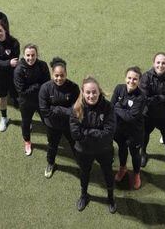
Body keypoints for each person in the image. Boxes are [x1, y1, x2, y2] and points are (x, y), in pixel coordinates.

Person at [70, 76, 116, 213]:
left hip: (104, 150)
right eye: (88, 92)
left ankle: (111, 197)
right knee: (84, 173)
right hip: (84, 151)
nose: (91, 95)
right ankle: (84, 195)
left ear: (99, 91)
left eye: (94, 92)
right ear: (83, 93)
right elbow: (75, 134)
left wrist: (87, 132)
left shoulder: (108, 107)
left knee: (108, 173)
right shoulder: (76, 108)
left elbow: (108, 133)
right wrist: (96, 132)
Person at [39, 57, 79, 177]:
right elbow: (45, 111)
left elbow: (76, 110)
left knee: (76, 144)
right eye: (56, 75)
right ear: (52, 74)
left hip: (69, 124)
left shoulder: (73, 87)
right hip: (53, 125)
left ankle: (82, 163)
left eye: (62, 75)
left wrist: (57, 109)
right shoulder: (45, 88)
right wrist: (66, 111)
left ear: (66, 73)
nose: (59, 78)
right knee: (52, 146)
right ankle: (51, 163)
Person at [140, 52, 165, 168]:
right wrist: (162, 98)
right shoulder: (146, 77)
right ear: (153, 63)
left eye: (163, 63)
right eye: (158, 62)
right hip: (148, 115)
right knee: (145, 135)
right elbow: (144, 99)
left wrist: (155, 99)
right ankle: (143, 153)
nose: (160, 65)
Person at [111, 66, 145, 189]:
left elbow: (131, 118)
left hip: (134, 133)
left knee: (135, 154)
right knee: (122, 149)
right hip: (119, 130)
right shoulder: (119, 88)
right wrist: (121, 110)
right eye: (129, 78)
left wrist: (118, 108)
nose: (131, 81)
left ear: (139, 81)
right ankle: (123, 168)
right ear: (125, 78)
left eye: (135, 79)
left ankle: (136, 174)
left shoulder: (141, 97)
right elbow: (111, 106)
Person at [14, 44, 50, 156]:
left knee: (47, 120)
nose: (30, 58)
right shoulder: (19, 69)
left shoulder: (43, 65)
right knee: (26, 122)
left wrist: (36, 87)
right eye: (28, 55)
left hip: (41, 100)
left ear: (37, 55)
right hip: (26, 103)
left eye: (33, 55)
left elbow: (47, 83)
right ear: (24, 55)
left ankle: (51, 138)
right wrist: (38, 86)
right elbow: (22, 91)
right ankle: (27, 141)